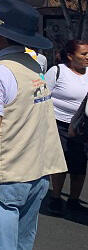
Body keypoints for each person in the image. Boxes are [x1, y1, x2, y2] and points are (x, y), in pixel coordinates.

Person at [0, 0, 66, 250]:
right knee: (21, 245)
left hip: (3, 177)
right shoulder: (32, 65)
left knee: (0, 246)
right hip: (36, 173)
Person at [43, 39, 88, 215]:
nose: (87, 57)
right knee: (60, 163)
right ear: (70, 56)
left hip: (82, 127)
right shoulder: (57, 71)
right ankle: (55, 197)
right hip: (58, 124)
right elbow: (42, 96)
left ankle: (74, 199)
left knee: (79, 163)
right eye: (83, 54)